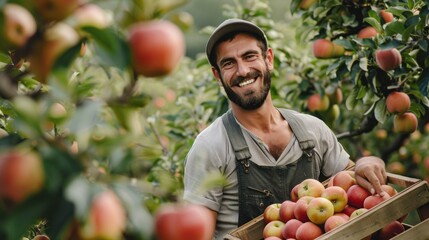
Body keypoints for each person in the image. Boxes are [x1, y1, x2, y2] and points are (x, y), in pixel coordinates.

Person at [183, 18, 387, 239]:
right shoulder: (210, 146)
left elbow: (349, 189)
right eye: (229, 63)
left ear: (268, 59)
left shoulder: (312, 130)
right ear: (217, 76)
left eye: (249, 56)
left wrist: (367, 163)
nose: (242, 71)